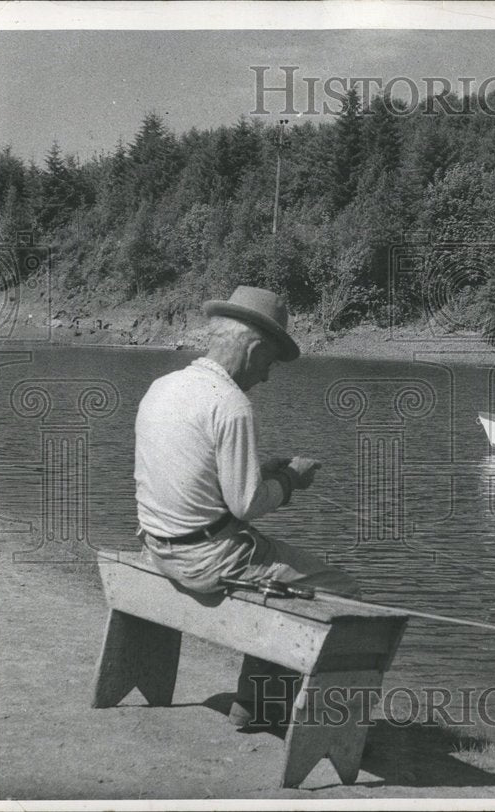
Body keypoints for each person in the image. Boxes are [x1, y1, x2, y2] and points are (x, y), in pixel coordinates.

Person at [134, 285, 360, 728]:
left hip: (159, 548)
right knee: (339, 589)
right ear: (253, 348)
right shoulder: (232, 404)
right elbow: (246, 503)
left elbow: (188, 474)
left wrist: (263, 468)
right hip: (204, 559)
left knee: (282, 574)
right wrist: (291, 479)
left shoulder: (164, 386)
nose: (267, 377)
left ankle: (255, 703)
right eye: (269, 363)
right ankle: (291, 715)